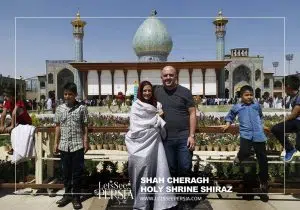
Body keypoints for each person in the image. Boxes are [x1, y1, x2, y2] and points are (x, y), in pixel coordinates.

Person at [125, 81, 177, 210]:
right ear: (140, 92)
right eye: (144, 91)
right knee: (141, 171)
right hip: (140, 145)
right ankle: (141, 204)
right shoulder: (136, 105)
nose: (147, 93)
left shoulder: (157, 105)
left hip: (154, 144)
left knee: (157, 171)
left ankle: (157, 203)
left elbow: (159, 123)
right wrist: (156, 119)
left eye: (149, 90)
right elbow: (135, 125)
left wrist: (159, 117)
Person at [154, 66, 197, 208]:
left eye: (171, 75)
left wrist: (191, 135)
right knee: (170, 169)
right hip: (165, 139)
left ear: (176, 76)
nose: (168, 78)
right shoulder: (157, 91)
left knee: (185, 168)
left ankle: (185, 200)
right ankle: (172, 201)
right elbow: (144, 103)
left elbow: (192, 113)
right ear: (161, 78)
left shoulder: (185, 92)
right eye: (165, 75)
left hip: (184, 137)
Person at [222, 85, 269, 201]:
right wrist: (228, 124)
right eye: (246, 95)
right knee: (245, 151)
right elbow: (230, 116)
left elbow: (261, 116)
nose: (249, 97)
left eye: (251, 95)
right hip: (246, 135)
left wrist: (263, 125)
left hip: (258, 135)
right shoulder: (237, 106)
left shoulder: (256, 105)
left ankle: (263, 183)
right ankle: (239, 157)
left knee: (263, 159)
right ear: (241, 96)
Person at [54, 82, 88, 209]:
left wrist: (86, 141)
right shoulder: (59, 109)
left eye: (70, 94)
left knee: (77, 173)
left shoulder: (82, 108)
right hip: (63, 145)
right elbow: (57, 126)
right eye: (65, 94)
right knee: (65, 172)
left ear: (75, 95)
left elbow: (85, 126)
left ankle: (76, 197)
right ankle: (67, 194)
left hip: (77, 145)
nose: (67, 96)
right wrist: (55, 143)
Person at [271, 75, 300, 162]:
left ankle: (291, 150)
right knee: (276, 129)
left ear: (288, 86)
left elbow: (294, 114)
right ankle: (290, 149)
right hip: (297, 122)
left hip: (298, 122)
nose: (282, 88)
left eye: (283, 85)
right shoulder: (293, 96)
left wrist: (283, 120)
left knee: (277, 128)